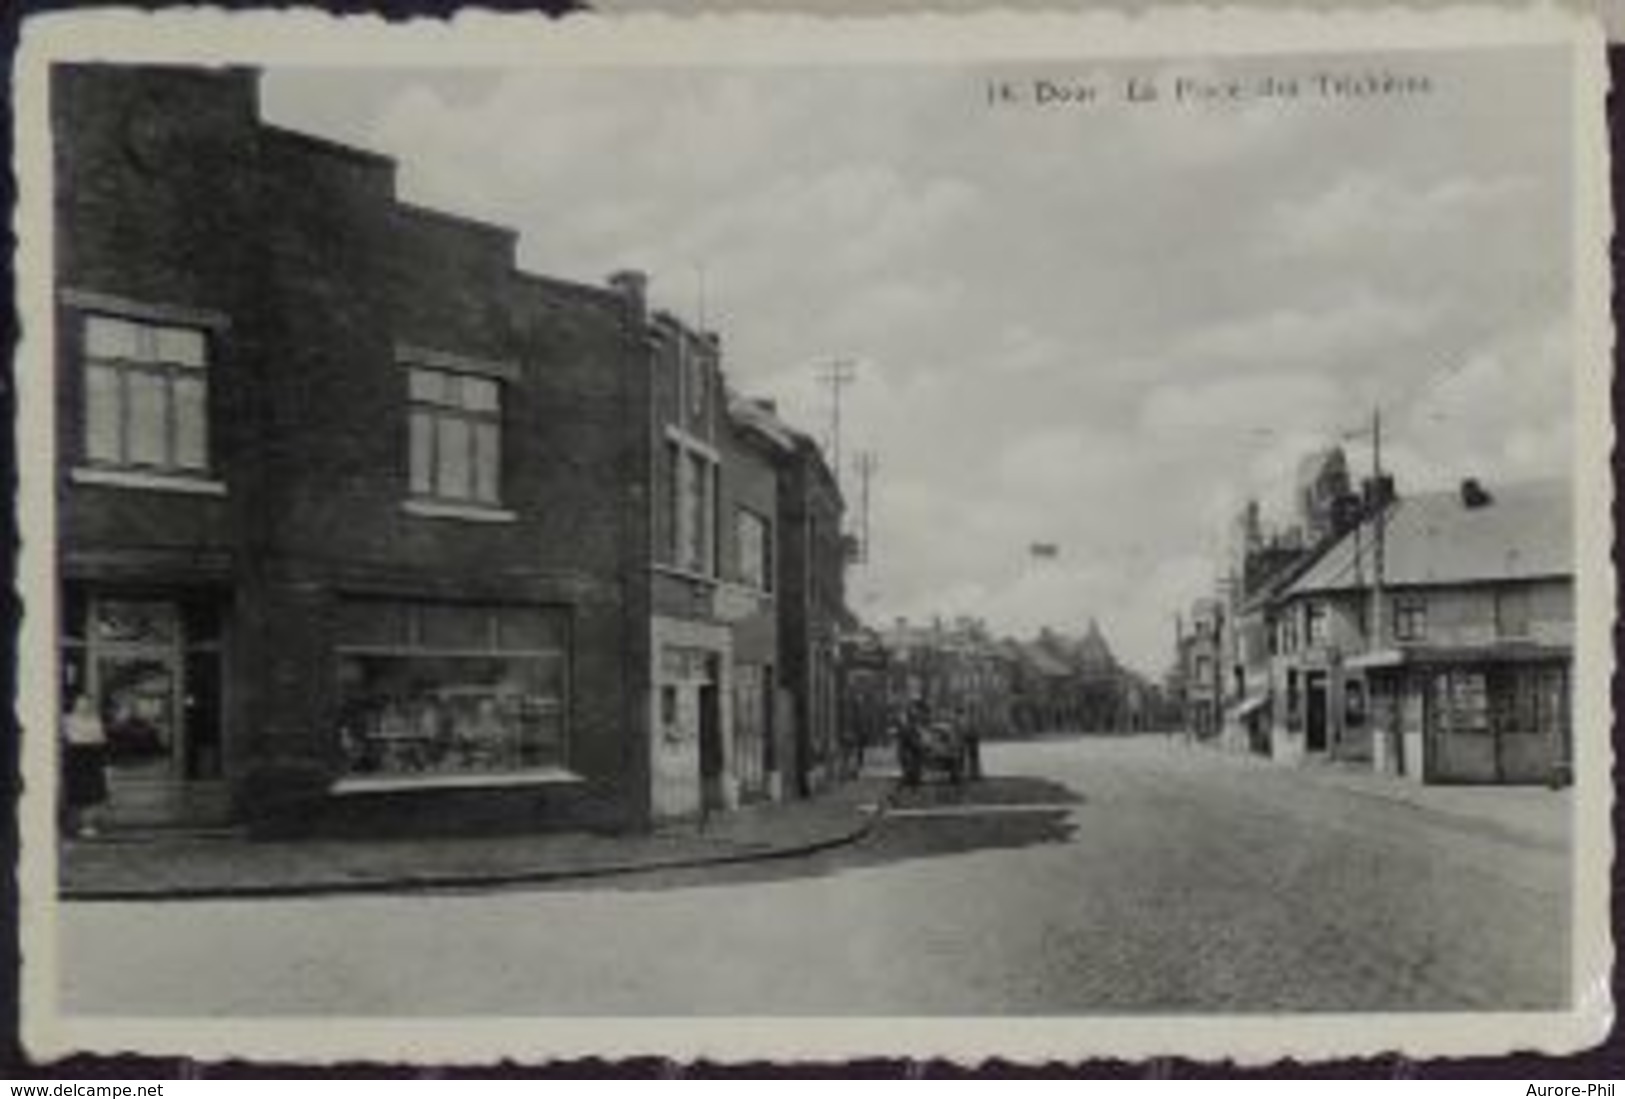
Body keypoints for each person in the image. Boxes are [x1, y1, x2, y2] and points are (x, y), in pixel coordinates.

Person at [62, 693, 109, 838]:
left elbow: (101, 739)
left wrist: (85, 738)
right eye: (81, 703)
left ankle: (88, 825)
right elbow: (71, 739)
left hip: (92, 760)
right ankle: (74, 825)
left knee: (93, 794)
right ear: (75, 704)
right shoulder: (67, 719)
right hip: (75, 760)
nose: (84, 706)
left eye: (87, 703)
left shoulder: (95, 720)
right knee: (75, 794)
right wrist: (88, 738)